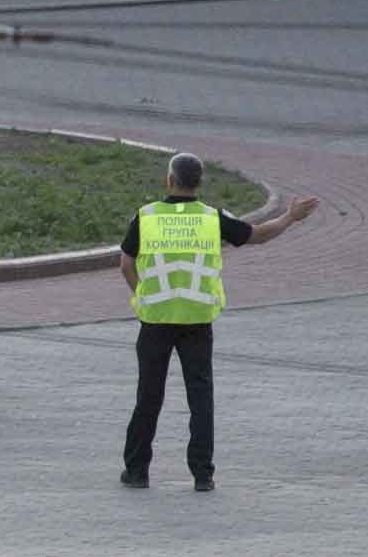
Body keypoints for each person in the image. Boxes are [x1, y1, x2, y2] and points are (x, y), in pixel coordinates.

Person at [119, 152, 320, 491]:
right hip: (197, 319)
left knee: (149, 395)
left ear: (170, 181)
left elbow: (126, 263)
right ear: (200, 184)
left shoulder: (147, 216)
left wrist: (143, 297)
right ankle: (202, 474)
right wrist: (290, 216)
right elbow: (258, 235)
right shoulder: (213, 218)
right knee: (200, 396)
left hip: (155, 319)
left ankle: (137, 471)